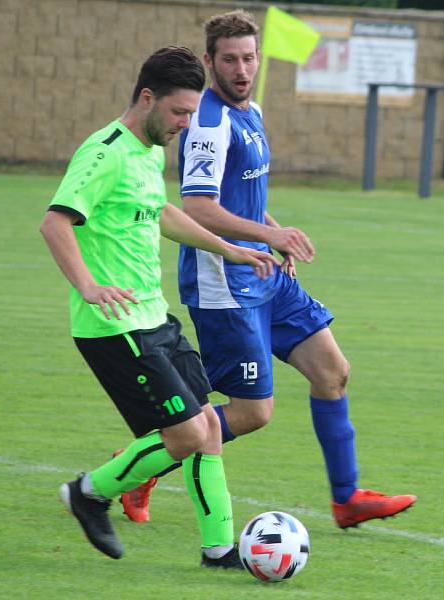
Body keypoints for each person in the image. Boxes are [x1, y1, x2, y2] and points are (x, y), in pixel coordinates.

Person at [119, 10, 416, 529]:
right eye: (230, 59)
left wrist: (272, 233)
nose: (242, 69)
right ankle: (148, 467)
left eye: (250, 58)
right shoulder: (207, 123)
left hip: (263, 272)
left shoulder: (250, 110)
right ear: (209, 61)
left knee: (333, 372)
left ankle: (346, 499)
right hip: (225, 281)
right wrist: (269, 236)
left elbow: (245, 197)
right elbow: (198, 208)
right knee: (253, 411)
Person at [40, 46, 278, 568]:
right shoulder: (104, 152)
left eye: (192, 113)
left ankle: (219, 549)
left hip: (154, 316)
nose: (186, 123)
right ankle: (89, 492)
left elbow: (162, 212)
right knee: (189, 432)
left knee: (210, 428)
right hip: (113, 325)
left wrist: (232, 247)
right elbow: (55, 222)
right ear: (147, 98)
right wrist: (87, 285)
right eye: (179, 112)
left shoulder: (150, 151)